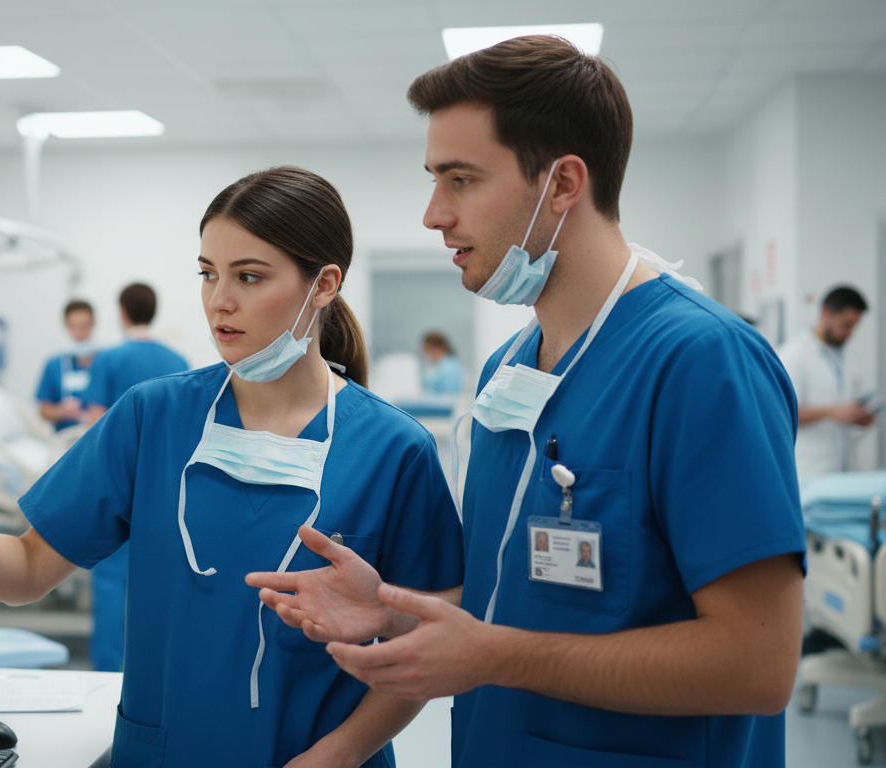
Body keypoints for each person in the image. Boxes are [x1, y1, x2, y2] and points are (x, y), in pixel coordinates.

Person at [248, 36, 805, 767]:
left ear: (563, 183)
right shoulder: (509, 372)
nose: (433, 214)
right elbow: (523, 601)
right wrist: (395, 608)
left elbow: (757, 666)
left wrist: (495, 659)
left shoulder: (700, 362)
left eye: (461, 179)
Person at [0, 166, 463, 768]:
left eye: (250, 276)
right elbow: (28, 572)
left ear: (323, 284)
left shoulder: (391, 448)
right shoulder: (153, 417)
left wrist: (341, 754)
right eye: (208, 274)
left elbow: (434, 638)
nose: (220, 301)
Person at [78, 283, 188, 672]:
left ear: (122, 312)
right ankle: (155, 670)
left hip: (121, 481)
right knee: (161, 579)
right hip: (170, 485)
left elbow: (95, 424)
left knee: (111, 582)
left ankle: (110, 669)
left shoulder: (109, 359)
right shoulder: (178, 358)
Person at [778, 285, 875, 479]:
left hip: (844, 469)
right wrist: (832, 412)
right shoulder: (793, 356)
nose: (851, 333)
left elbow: (847, 404)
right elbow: (783, 412)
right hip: (809, 472)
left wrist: (859, 417)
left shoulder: (846, 357)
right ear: (826, 313)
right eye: (846, 325)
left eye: (855, 326)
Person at [81, 283, 188, 424]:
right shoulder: (179, 361)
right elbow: (184, 415)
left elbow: (96, 419)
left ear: (123, 312)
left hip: (122, 445)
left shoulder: (106, 358)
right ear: (154, 311)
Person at [35, 299, 96, 431]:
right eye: (75, 326)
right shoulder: (54, 364)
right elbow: (43, 409)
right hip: (65, 439)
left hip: (97, 436)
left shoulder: (106, 362)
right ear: (66, 325)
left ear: (93, 324)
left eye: (85, 325)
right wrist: (61, 411)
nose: (80, 332)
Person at [419, 331, 463, 396]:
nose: (426, 354)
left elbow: (450, 394)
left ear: (439, 348)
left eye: (427, 350)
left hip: (446, 404)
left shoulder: (450, 367)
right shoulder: (433, 366)